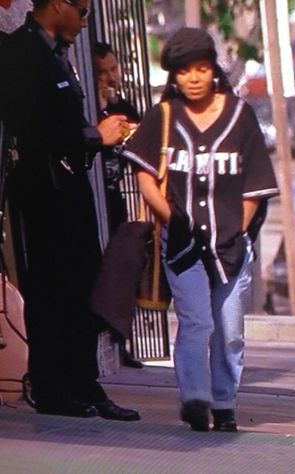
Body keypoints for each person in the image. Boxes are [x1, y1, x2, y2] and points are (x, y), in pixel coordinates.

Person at [126, 27, 279, 432]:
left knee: (229, 330)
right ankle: (195, 399)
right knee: (197, 323)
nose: (193, 78)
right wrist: (172, 219)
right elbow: (143, 176)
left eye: (200, 68)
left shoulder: (239, 116)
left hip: (230, 245)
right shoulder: (162, 118)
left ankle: (224, 403)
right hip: (181, 243)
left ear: (213, 70)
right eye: (183, 71)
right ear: (173, 76)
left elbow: (255, 188)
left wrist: (237, 231)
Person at [0, 0, 140, 421]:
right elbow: (34, 128)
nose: (85, 19)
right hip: (44, 192)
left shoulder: (60, 56)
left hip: (72, 190)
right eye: (80, 10)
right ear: (56, 4)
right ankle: (52, 386)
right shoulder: (20, 54)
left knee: (83, 287)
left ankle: (84, 381)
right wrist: (94, 137)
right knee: (51, 289)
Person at [93, 41, 143, 369]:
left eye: (114, 69)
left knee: (123, 271)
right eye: (103, 72)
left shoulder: (123, 107)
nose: (111, 78)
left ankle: (121, 340)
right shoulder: (88, 109)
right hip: (91, 200)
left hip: (114, 200)